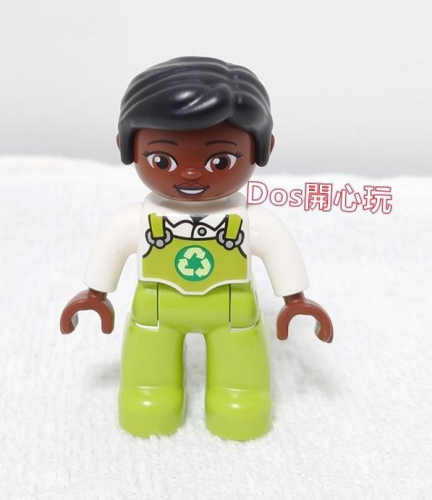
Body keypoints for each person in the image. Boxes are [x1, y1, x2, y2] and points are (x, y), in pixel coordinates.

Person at [60, 57, 333, 441]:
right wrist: (95, 294)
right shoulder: (136, 220)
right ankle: (149, 394)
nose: (190, 173)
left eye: (220, 160)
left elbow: (279, 251)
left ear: (263, 149)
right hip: (156, 306)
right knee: (148, 373)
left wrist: (295, 300)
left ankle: (240, 397)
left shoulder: (252, 220)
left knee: (241, 373)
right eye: (162, 159)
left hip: (232, 308)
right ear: (127, 148)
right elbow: (111, 249)